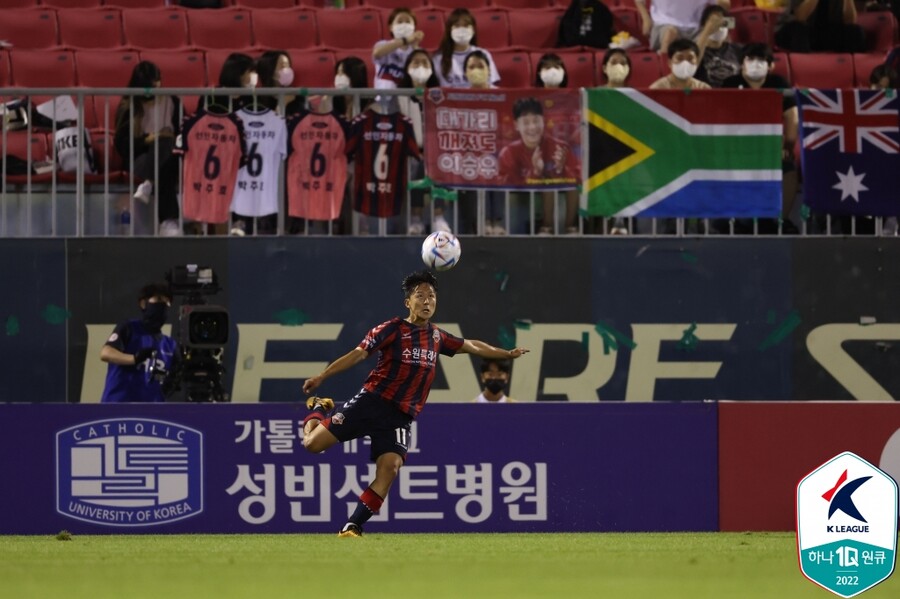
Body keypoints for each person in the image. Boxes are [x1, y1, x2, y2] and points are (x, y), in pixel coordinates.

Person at [300, 270, 530, 537]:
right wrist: (322, 376)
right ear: (408, 302)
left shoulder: (437, 337)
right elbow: (357, 354)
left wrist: (505, 353)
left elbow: (473, 346)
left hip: (400, 416)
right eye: (420, 296)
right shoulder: (391, 329)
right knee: (312, 445)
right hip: (371, 403)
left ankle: (353, 525)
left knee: (390, 468)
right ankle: (318, 407)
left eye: (431, 296)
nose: (427, 301)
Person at [721, 43, 800, 234]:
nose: (755, 64)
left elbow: (792, 115)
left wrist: (788, 146)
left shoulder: (779, 84)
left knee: (789, 169)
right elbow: (721, 117)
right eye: (750, 59)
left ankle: (782, 219)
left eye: (761, 60)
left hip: (770, 146)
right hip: (737, 146)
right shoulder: (730, 84)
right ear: (741, 64)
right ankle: (734, 218)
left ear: (770, 65)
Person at [113, 61, 181, 236]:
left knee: (166, 147)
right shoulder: (129, 107)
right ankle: (168, 220)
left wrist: (165, 138)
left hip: (171, 158)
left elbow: (183, 134)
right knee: (162, 154)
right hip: (140, 161)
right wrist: (147, 140)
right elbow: (122, 146)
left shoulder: (172, 101)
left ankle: (149, 183)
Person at [397, 49, 452, 236]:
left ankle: (438, 217)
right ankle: (416, 218)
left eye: (425, 63)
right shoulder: (398, 96)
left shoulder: (441, 97)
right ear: (407, 69)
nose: (420, 67)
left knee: (439, 164)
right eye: (415, 63)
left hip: (436, 152)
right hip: (407, 152)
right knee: (417, 166)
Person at [100, 282, 178, 403]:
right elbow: (106, 353)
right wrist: (134, 359)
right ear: (143, 303)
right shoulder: (129, 328)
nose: (163, 304)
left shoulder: (170, 345)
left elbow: (174, 376)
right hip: (118, 406)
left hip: (151, 413)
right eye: (158, 299)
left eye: (167, 302)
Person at [533, 53, 579, 236]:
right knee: (547, 172)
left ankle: (571, 225)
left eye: (556, 67)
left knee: (573, 172)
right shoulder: (532, 98)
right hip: (541, 149)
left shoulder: (574, 96)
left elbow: (579, 124)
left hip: (570, 148)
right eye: (547, 67)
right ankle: (547, 225)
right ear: (539, 73)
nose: (552, 71)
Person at [498, 97, 579, 188]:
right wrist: (535, 172)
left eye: (536, 121)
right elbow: (507, 188)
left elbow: (579, 180)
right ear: (516, 125)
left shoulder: (561, 148)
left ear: (543, 121)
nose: (532, 127)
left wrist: (561, 169)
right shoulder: (508, 153)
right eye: (526, 122)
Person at [634, 0, 731, 56]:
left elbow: (726, 4)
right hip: (664, 23)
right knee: (670, 34)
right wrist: (646, 19)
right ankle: (664, 74)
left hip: (697, 27)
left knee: (720, 34)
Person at [433, 8, 500, 88]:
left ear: (473, 30)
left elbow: (491, 87)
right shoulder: (438, 59)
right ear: (449, 30)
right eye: (457, 26)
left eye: (466, 25)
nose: (461, 30)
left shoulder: (484, 54)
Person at [774, 0, 865, 53]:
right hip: (790, 30)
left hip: (821, 33)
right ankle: (804, 67)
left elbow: (851, 21)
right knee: (800, 29)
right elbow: (800, 17)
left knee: (855, 31)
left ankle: (850, 71)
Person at [373, 8, 425, 91]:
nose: (404, 25)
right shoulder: (383, 44)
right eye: (399, 22)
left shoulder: (418, 50)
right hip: (384, 97)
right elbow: (377, 53)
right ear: (391, 27)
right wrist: (405, 40)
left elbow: (421, 77)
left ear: (414, 27)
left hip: (408, 98)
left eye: (408, 22)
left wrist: (415, 48)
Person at [694, 4, 742, 88]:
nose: (718, 26)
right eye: (714, 22)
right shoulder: (697, 48)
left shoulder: (737, 50)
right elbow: (692, 65)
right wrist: (706, 32)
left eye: (722, 22)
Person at [255, 50, 295, 114]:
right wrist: (283, 102)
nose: (288, 70)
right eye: (283, 66)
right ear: (270, 71)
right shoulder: (257, 101)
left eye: (288, 65)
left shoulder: (295, 96)